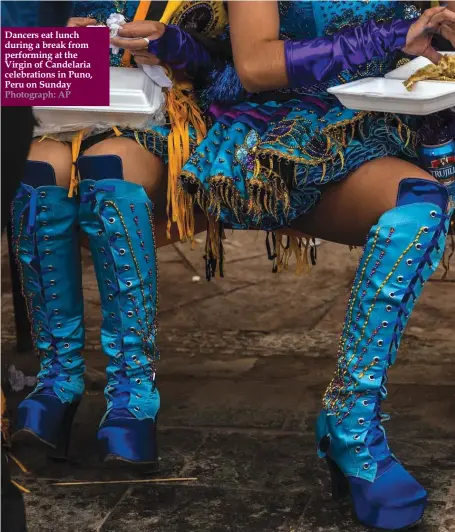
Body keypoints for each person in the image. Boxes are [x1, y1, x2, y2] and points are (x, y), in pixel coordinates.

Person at [114, 1, 454, 530]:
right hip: (289, 131)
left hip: (394, 118)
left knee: (422, 203)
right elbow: (255, 65)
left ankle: (347, 414)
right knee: (416, 209)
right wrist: (393, 36)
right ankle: (355, 428)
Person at [10, 0, 229, 466]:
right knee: (34, 178)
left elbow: (235, 62)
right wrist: (48, 42)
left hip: (163, 114)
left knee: (108, 175)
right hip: (63, 109)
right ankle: (58, 378)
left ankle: (133, 390)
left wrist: (174, 44)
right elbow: (12, 43)